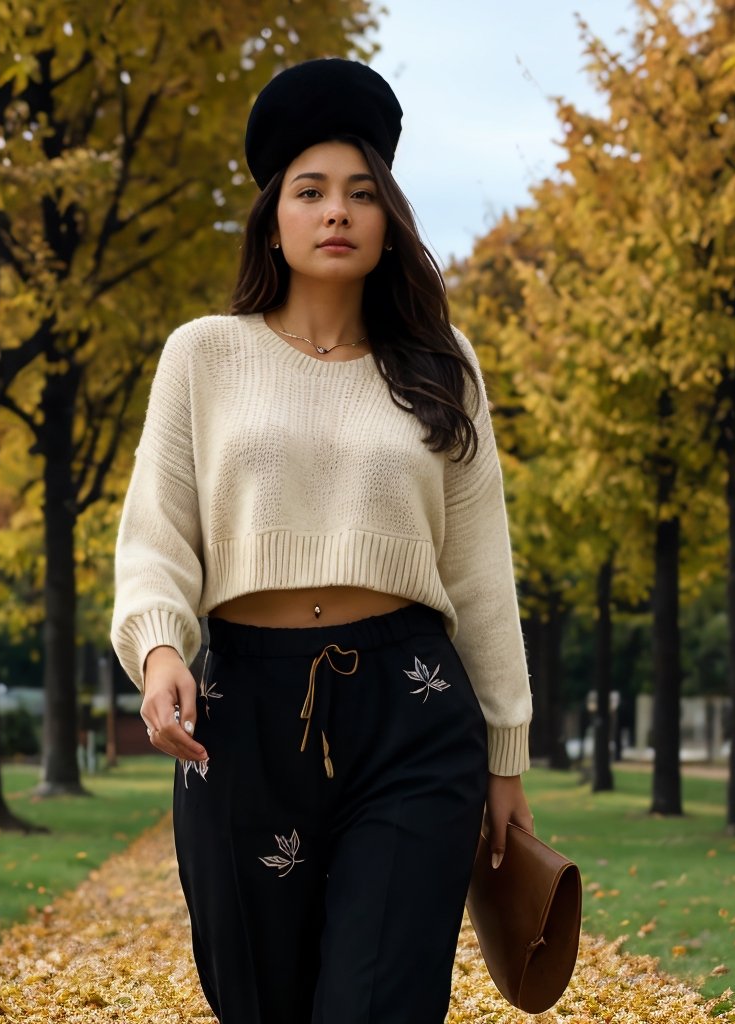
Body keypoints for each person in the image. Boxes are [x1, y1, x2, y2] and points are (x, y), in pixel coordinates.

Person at [112, 57, 534, 1024]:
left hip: (413, 712)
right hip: (240, 710)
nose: (336, 211)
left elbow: (480, 567)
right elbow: (157, 533)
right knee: (259, 998)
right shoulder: (202, 355)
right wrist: (161, 650)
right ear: (274, 218)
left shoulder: (440, 365)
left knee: (376, 1001)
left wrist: (505, 761)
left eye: (360, 193)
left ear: (389, 224)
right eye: (310, 191)